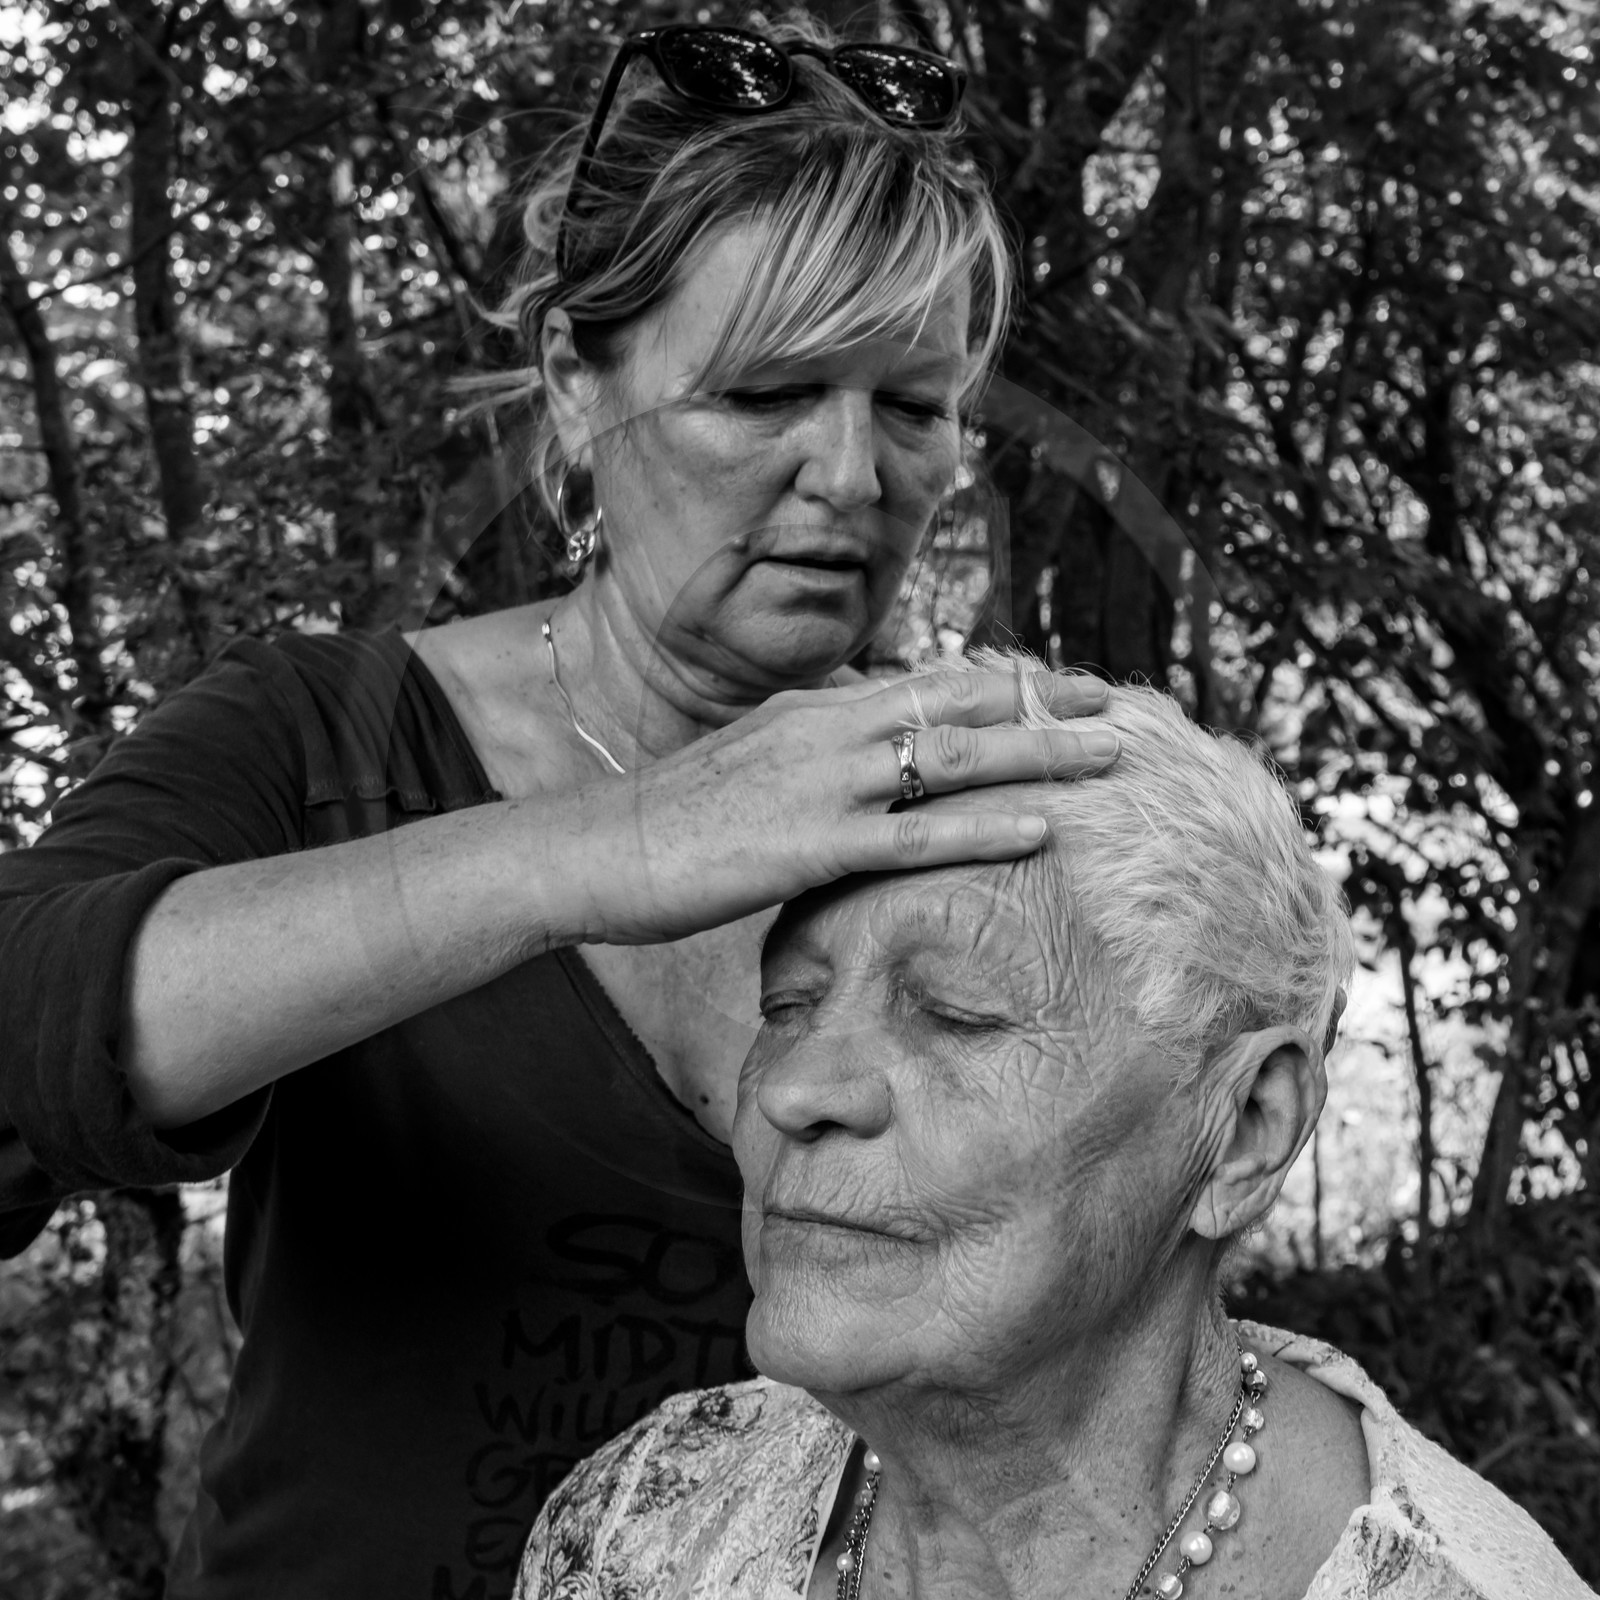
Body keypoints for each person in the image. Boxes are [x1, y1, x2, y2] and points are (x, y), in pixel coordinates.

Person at [0, 19, 1123, 1599]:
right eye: (767, 392)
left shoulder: (1007, 791)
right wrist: (615, 848)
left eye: (918, 406)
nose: (855, 476)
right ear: (574, 392)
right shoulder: (322, 735)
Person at [514, 661, 1594, 1600]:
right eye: (786, 1006)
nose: (796, 1087)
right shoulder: (644, 1518)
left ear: (1245, 1133)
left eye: (954, 1013)